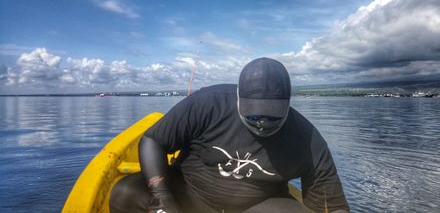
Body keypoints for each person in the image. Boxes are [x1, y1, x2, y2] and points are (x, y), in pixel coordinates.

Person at [110, 57, 349, 213]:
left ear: (287, 105)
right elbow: (153, 141)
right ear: (238, 99)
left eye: (272, 117)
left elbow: (332, 206)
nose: (263, 124)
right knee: (126, 193)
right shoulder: (207, 103)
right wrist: (162, 197)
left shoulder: (307, 140)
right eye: (253, 116)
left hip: (257, 206)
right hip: (188, 195)